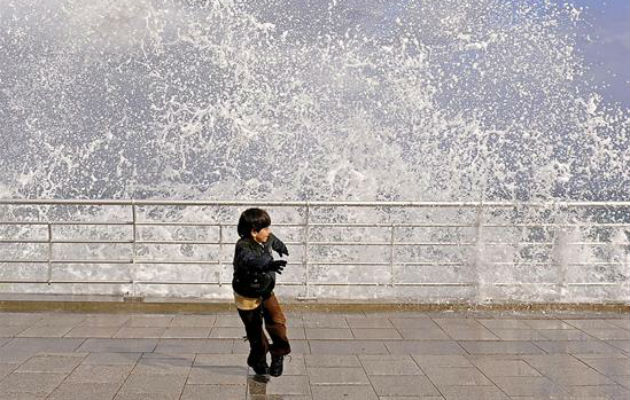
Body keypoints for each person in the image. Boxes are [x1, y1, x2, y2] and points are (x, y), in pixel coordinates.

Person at [232, 208, 291, 377]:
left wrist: (281, 246)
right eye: (265, 228)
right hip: (246, 295)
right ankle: (257, 359)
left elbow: (272, 239)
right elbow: (249, 260)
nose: (269, 232)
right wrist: (267, 264)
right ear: (253, 231)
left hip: (266, 290)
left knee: (277, 322)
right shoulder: (243, 246)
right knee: (255, 333)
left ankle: (278, 354)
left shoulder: (266, 238)